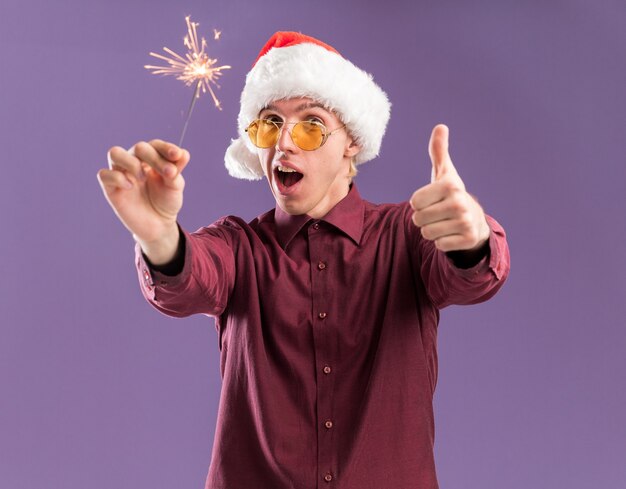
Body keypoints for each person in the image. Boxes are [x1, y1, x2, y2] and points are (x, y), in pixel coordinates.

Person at [97, 32, 510, 489]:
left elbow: (471, 277)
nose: (285, 144)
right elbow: (190, 277)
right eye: (270, 125)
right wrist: (158, 238)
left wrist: (470, 237)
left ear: (351, 140)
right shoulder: (238, 246)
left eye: (311, 124)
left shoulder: (407, 236)